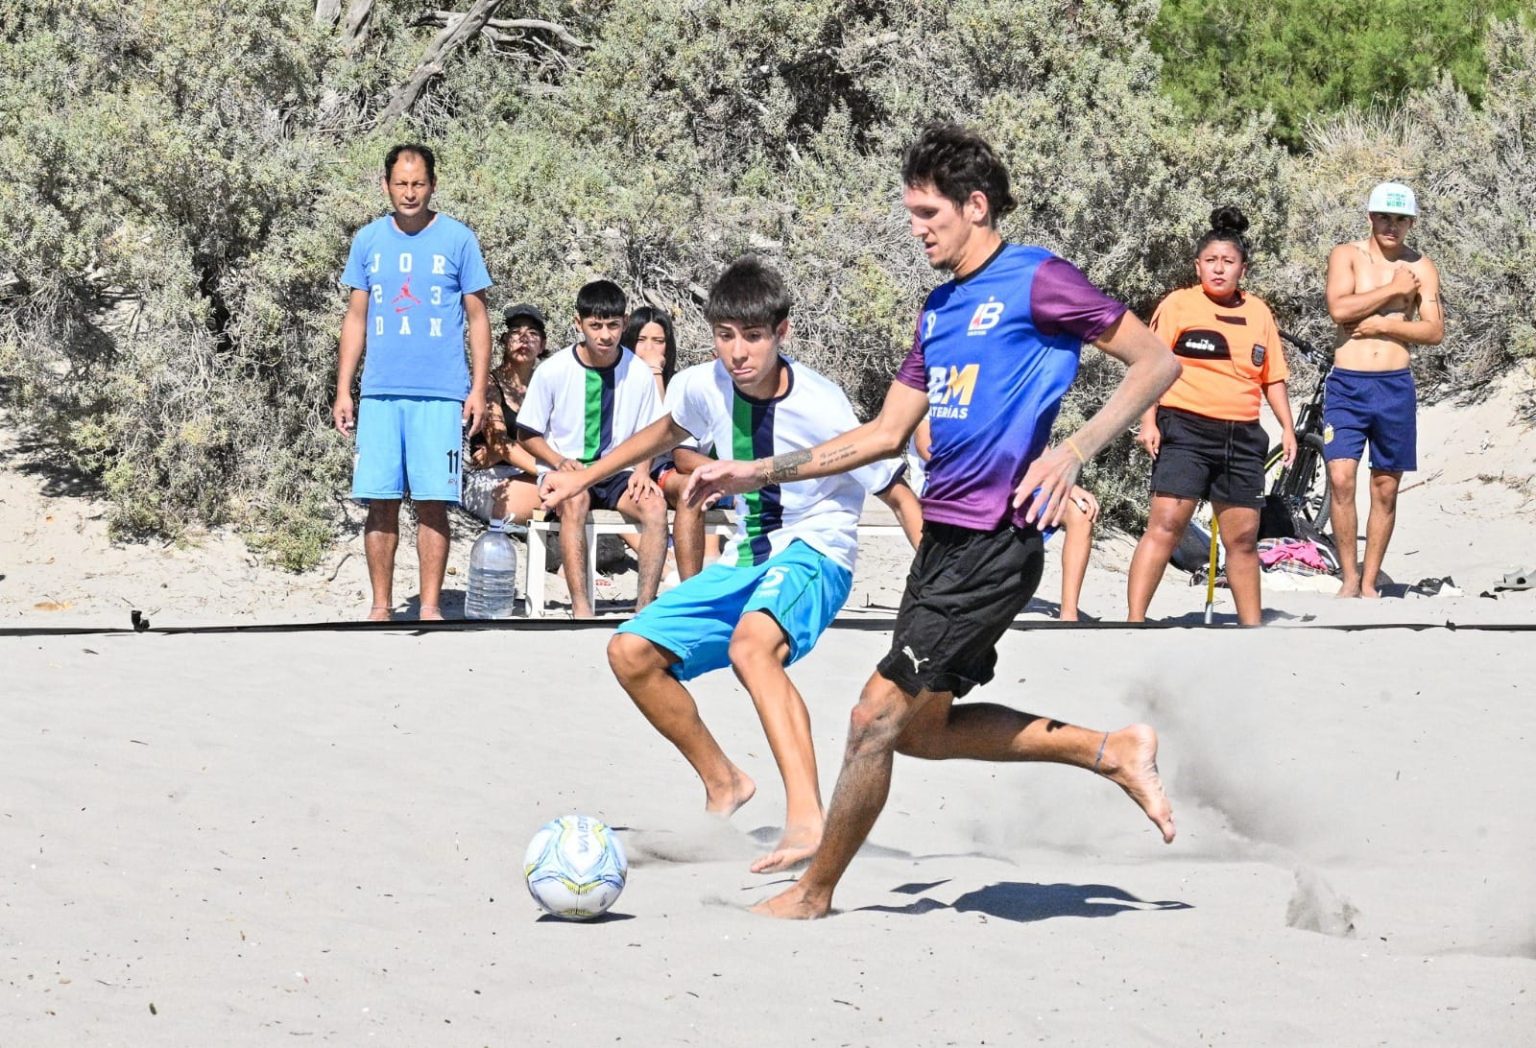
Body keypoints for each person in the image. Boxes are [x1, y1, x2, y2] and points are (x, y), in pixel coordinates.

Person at [686, 124, 1181, 919]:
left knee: (872, 719)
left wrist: (1076, 450)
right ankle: (1110, 750)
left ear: (975, 206)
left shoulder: (1038, 280)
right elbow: (883, 436)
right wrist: (754, 470)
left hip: (997, 538)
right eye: (911, 212)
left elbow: (1158, 361)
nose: (916, 228)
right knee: (920, 731)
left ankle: (813, 893)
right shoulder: (938, 309)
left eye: (928, 212)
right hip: (944, 543)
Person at [541, 256, 923, 873]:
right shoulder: (701, 383)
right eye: (725, 336)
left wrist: (932, 594)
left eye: (752, 336)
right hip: (749, 554)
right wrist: (582, 475)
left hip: (816, 550)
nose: (737, 352)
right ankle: (725, 783)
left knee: (752, 648)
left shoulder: (824, 405)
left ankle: (807, 821)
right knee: (630, 653)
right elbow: (665, 433)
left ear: (782, 333)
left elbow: (899, 493)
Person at [332, 143, 492, 621]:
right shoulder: (368, 241)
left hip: (441, 394)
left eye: (418, 183)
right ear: (386, 186)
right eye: (400, 184)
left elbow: (479, 318)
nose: (409, 193)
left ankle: (428, 607)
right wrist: (345, 387)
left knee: (433, 501)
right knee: (380, 501)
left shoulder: (459, 239)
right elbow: (356, 318)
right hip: (381, 393)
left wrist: (478, 389)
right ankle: (381, 606)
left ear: (432, 185)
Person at [1125, 207, 1296, 626]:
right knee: (1166, 524)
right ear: (1198, 265)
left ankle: (1251, 626)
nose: (1219, 270)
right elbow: (1150, 366)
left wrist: (1288, 429)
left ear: (1243, 268)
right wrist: (1149, 421)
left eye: (1229, 262)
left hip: (1241, 436)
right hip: (1184, 428)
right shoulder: (1179, 305)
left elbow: (1272, 377)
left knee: (1241, 538)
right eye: (1211, 261)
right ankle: (1132, 621)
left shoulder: (1259, 313)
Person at [516, 280, 668, 617]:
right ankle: (582, 607)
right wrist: (559, 461)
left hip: (618, 472)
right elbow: (526, 434)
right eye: (595, 325)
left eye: (613, 325)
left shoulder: (639, 373)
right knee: (575, 500)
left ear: (625, 323)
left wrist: (643, 470)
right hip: (566, 472)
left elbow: (654, 433)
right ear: (578, 323)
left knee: (655, 506)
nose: (605, 335)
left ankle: (646, 609)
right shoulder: (553, 370)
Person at [1323, 182, 1443, 598]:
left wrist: (1387, 324)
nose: (1392, 226)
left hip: (1394, 387)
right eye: (1384, 217)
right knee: (1340, 478)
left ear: (1410, 223)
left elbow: (1434, 330)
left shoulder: (1422, 267)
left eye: (1401, 219)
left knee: (1385, 486)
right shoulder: (1347, 256)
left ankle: (1370, 580)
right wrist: (1394, 291)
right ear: (1371, 217)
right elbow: (1339, 309)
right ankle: (1348, 577)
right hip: (1347, 385)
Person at [914, 418, 1099, 620]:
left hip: (1011, 480)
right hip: (958, 481)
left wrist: (1066, 484)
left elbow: (1033, 441)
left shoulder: (1002, 390)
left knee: (1079, 512)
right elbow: (926, 446)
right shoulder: (942, 391)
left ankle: (1069, 615)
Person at [620, 307, 709, 580]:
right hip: (621, 470)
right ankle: (669, 567)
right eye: (642, 340)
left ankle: (697, 572)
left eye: (658, 341)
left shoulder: (677, 384)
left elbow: (666, 434)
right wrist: (653, 373)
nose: (650, 348)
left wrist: (657, 375)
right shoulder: (617, 381)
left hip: (662, 468)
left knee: (695, 487)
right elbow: (655, 430)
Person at [461, 304, 546, 524]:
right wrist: (545, 467)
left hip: (532, 472)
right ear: (503, 340)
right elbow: (499, 442)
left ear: (543, 345)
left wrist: (503, 451)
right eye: (516, 332)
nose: (524, 339)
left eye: (533, 334)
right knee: (557, 488)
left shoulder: (547, 384)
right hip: (492, 477)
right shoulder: (488, 384)